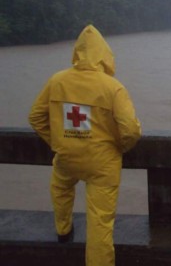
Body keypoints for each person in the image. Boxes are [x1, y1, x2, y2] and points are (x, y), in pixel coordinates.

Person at [28, 25, 142, 266]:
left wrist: (57, 141)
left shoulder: (57, 80)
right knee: (100, 221)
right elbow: (130, 129)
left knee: (60, 188)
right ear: (105, 54)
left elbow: (36, 117)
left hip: (66, 156)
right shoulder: (113, 87)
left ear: (77, 52)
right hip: (102, 162)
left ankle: (63, 230)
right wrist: (120, 147)